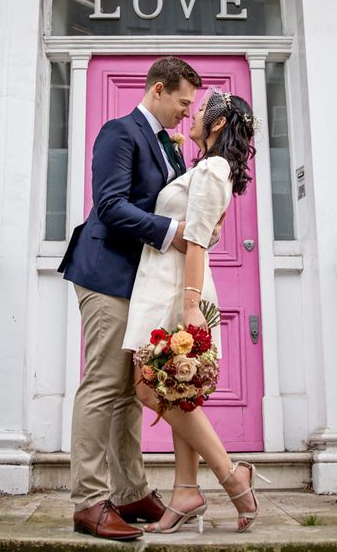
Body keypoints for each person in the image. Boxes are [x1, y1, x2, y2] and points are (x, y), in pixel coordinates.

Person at [57, 56, 204, 541]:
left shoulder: (169, 147)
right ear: (158, 90)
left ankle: (131, 490)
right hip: (104, 273)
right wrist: (173, 232)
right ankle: (89, 501)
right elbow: (111, 205)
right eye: (183, 102)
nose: (187, 112)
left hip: (136, 282)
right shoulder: (119, 132)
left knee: (127, 391)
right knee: (103, 385)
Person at [123, 88, 268, 535]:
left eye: (201, 109)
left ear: (219, 124)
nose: (193, 113)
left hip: (174, 289)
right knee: (175, 391)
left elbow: (200, 240)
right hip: (163, 283)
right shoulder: (204, 167)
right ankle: (185, 488)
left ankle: (231, 476)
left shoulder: (213, 168)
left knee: (150, 389)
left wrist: (189, 307)